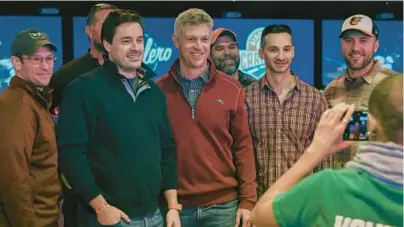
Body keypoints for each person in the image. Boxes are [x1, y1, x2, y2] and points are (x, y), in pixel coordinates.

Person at [56, 10, 180, 227]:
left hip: (156, 216)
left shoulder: (153, 91)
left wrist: (172, 206)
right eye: (126, 41)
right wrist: (101, 207)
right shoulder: (82, 89)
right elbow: (71, 155)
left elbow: (167, 149)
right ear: (107, 44)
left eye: (139, 40)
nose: (135, 48)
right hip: (107, 218)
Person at [251, 75, 403, 227]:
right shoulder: (332, 87)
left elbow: (260, 217)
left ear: (368, 124)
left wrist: (316, 150)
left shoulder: (326, 187)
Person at [156, 8, 257, 227]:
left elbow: (243, 147)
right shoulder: (157, 91)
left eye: (204, 39)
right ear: (176, 40)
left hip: (224, 207)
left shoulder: (233, 88)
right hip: (174, 208)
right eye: (191, 39)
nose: (198, 46)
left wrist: (248, 202)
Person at [244, 24, 330, 197]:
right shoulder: (246, 97)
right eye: (273, 50)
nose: (281, 56)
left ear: (293, 52)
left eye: (286, 49)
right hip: (260, 201)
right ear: (262, 53)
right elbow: (241, 155)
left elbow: (324, 157)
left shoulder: (315, 98)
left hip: (302, 201)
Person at [323, 14, 401, 168]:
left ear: (376, 45)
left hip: (377, 186)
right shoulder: (331, 89)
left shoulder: (395, 86)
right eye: (348, 40)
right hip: (339, 184)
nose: (355, 48)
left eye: (363, 40)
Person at [0, 29, 61, 226]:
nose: (45, 66)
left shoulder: (34, 100)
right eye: (36, 59)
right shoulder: (17, 106)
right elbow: (13, 177)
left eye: (49, 59)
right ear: (17, 63)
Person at [48, 3, 157, 113]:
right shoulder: (67, 75)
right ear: (89, 31)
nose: (111, 30)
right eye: (105, 25)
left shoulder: (140, 73)